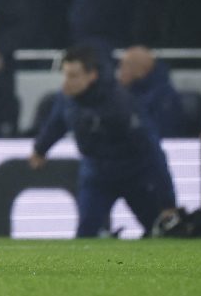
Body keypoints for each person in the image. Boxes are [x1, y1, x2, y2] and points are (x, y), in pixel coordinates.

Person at [30, 46, 177, 237]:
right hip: (97, 175)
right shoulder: (67, 98)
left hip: (133, 174)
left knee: (157, 230)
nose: (67, 82)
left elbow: (152, 150)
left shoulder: (120, 103)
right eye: (65, 75)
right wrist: (40, 149)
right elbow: (57, 123)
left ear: (92, 76)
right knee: (86, 233)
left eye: (73, 76)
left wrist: (167, 202)